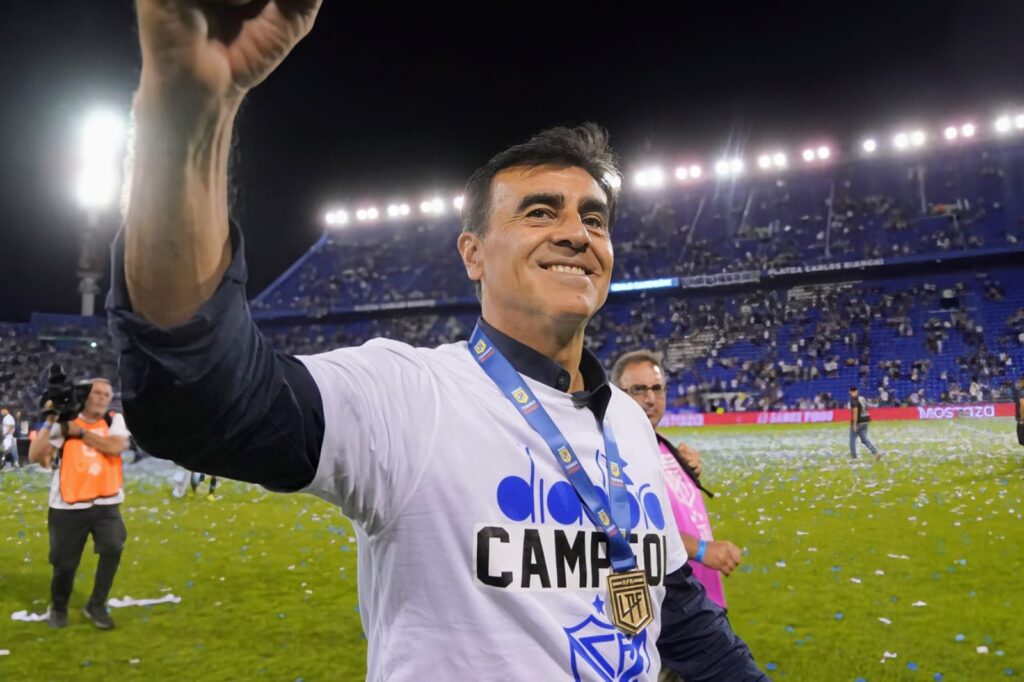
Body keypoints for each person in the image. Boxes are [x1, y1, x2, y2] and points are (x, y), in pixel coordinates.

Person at [111, 3, 766, 679]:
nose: (577, 233)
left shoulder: (627, 423)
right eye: (540, 211)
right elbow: (201, 399)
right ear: (473, 253)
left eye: (594, 219)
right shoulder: (413, 397)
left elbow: (676, 608)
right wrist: (189, 112)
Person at [611, 351, 741, 610]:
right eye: (638, 389)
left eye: (657, 388)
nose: (650, 399)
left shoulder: (664, 446)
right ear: (616, 395)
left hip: (702, 596)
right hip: (670, 606)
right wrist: (702, 550)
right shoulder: (615, 455)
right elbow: (632, 529)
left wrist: (685, 472)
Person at [27, 380, 130, 630]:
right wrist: (52, 420)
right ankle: (59, 606)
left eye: (107, 394)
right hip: (67, 505)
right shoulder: (66, 422)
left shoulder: (114, 420)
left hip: (107, 502)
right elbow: (35, 455)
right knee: (64, 563)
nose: (103, 398)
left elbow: (116, 447)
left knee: (113, 548)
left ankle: (97, 604)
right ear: (84, 395)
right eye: (98, 393)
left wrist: (81, 433)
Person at [848, 386, 882, 461]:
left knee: (852, 440)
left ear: (850, 392)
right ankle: (876, 453)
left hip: (858, 422)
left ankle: (854, 458)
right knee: (864, 439)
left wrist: (854, 424)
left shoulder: (853, 401)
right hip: (865, 421)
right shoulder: (862, 398)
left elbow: (855, 412)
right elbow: (866, 408)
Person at [1013, 376, 1024, 447]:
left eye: (1021, 381)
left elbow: (1023, 405)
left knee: (1022, 440)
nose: (1019, 383)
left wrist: (1022, 418)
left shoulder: (1022, 391)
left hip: (1022, 420)